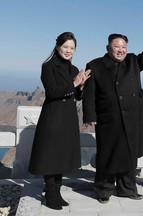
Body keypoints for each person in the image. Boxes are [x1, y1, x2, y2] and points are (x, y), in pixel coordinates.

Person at [82, 19, 143, 204]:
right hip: (108, 118)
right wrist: (90, 115)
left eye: (124, 47)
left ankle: (127, 188)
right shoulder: (95, 65)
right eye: (117, 46)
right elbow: (89, 94)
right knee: (107, 155)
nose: (121, 50)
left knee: (129, 155)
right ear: (108, 47)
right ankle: (103, 189)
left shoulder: (133, 61)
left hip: (132, 119)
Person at [28, 32, 91, 210]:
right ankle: (50, 193)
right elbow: (53, 92)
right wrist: (74, 83)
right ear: (57, 46)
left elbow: (77, 96)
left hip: (68, 118)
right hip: (53, 116)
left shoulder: (73, 68)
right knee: (51, 156)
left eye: (72, 48)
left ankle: (56, 191)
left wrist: (81, 85)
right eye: (65, 47)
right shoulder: (48, 66)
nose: (68, 51)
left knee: (61, 155)